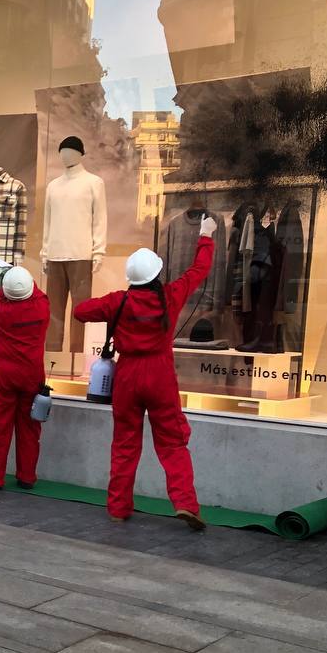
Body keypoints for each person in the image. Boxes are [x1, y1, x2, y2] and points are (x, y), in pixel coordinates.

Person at [74, 214, 217, 530]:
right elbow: (199, 270)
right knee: (172, 443)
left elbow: (80, 312)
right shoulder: (171, 296)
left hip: (127, 376)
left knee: (125, 443)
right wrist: (205, 236)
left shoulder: (118, 302)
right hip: (160, 375)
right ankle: (185, 504)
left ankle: (118, 507)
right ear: (156, 274)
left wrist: (108, 306)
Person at [0, 266, 50, 490]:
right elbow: (37, 292)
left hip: (4, 372)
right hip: (32, 372)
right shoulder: (42, 306)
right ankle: (27, 476)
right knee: (30, 428)